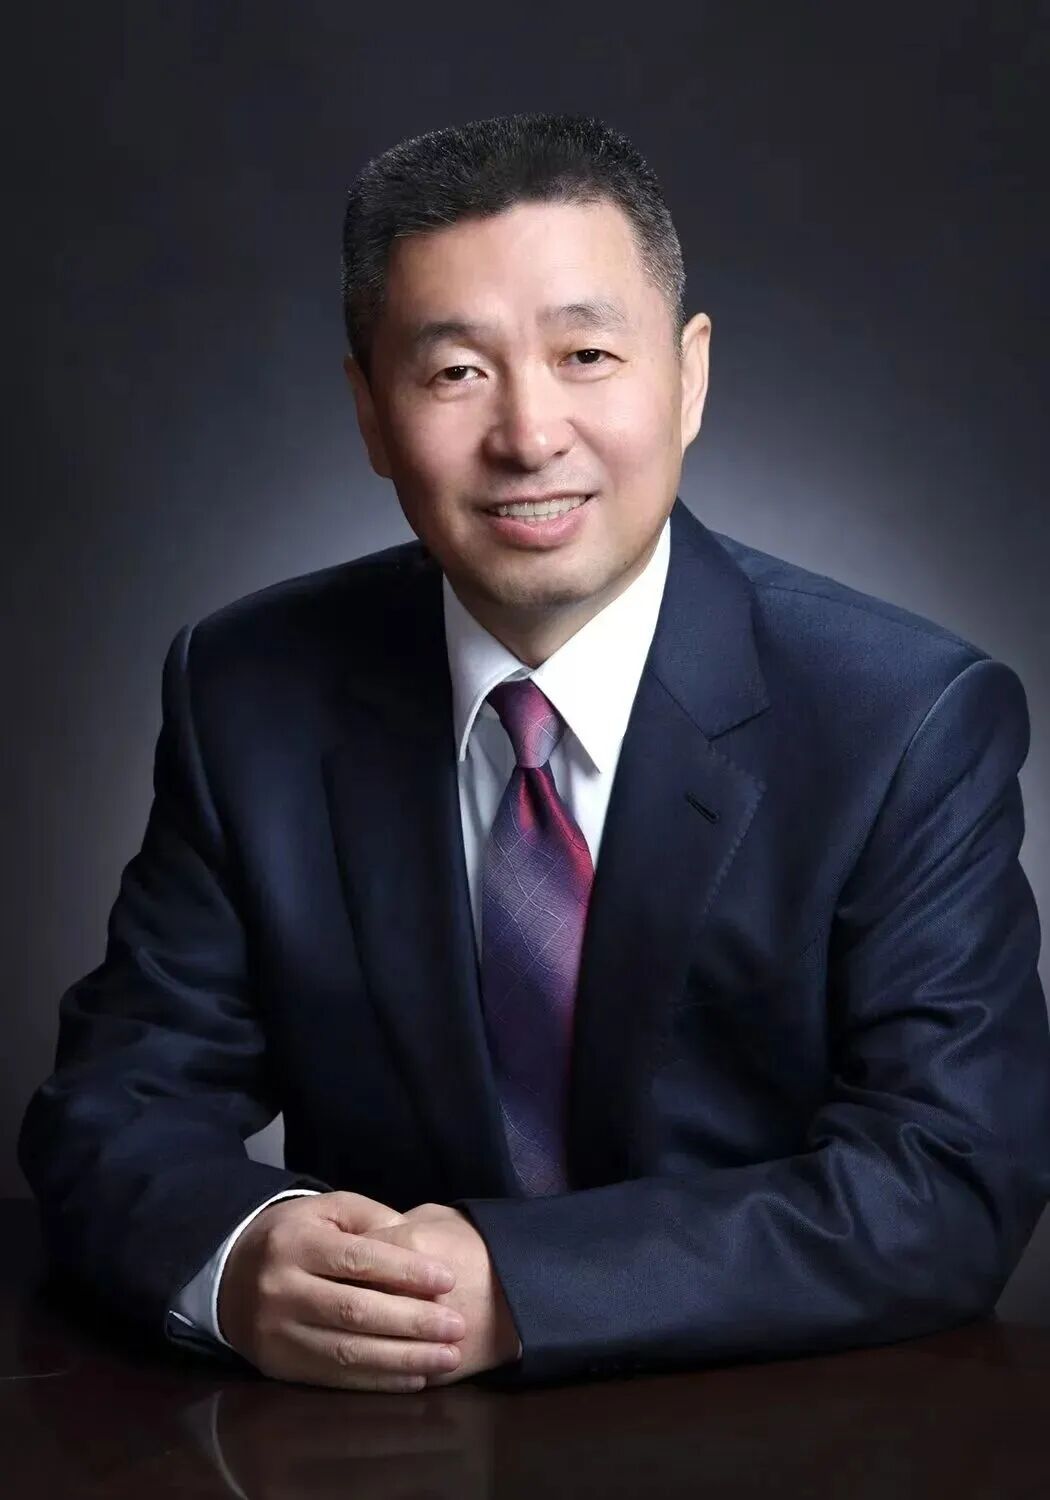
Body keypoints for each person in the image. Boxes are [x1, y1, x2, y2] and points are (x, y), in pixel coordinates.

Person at [18, 110, 1050, 1396]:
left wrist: (522, 1284)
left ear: (691, 376)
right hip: (369, 1438)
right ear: (369, 412)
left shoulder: (904, 717)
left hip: (780, 1428)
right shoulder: (249, 692)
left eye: (587, 355)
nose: (528, 433)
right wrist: (239, 1257)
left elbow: (950, 1178)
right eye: (456, 372)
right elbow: (115, 1107)